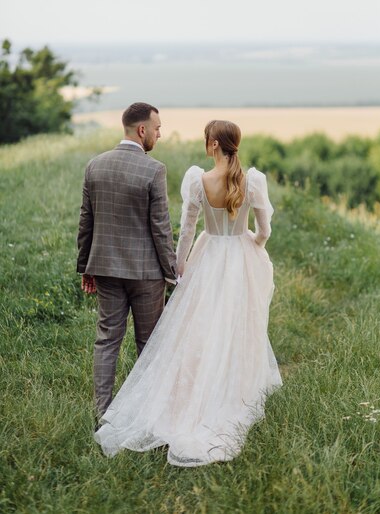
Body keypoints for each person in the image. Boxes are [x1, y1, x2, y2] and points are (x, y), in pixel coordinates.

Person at [94, 119, 282, 466]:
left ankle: (190, 394)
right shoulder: (252, 181)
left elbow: (186, 230)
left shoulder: (198, 180)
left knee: (196, 328)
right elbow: (265, 230)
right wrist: (253, 245)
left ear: (212, 145)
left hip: (207, 256)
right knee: (237, 325)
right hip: (239, 256)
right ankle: (231, 388)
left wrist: (179, 268)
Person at [77, 102, 177, 423]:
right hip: (146, 274)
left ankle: (102, 412)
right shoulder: (154, 169)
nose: (159, 134)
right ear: (142, 130)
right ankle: (147, 413)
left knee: (107, 339)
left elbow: (86, 222)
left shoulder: (95, 165)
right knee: (148, 344)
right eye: (157, 128)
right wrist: (171, 273)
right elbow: (160, 228)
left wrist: (86, 266)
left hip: (105, 267)